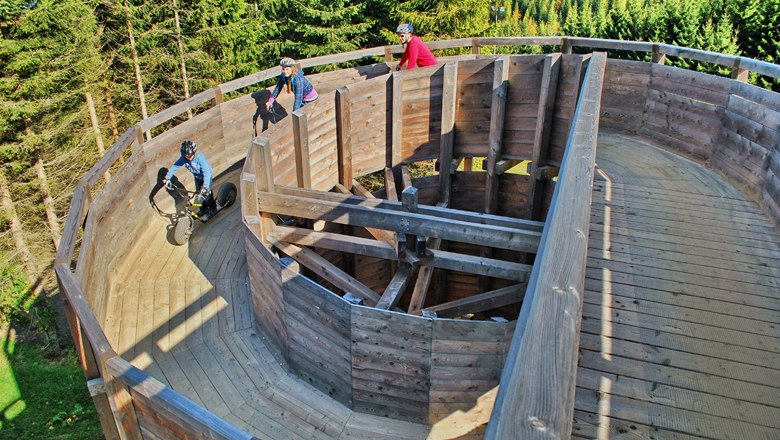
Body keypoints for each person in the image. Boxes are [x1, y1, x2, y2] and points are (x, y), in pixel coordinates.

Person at [163, 140, 217, 219]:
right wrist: (167, 178)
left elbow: (207, 173)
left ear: (194, 152)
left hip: (206, 177)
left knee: (206, 194)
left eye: (191, 155)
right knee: (198, 194)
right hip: (197, 177)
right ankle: (204, 209)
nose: (189, 157)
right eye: (187, 156)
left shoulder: (200, 158)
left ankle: (213, 208)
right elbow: (175, 166)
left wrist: (205, 187)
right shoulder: (183, 158)